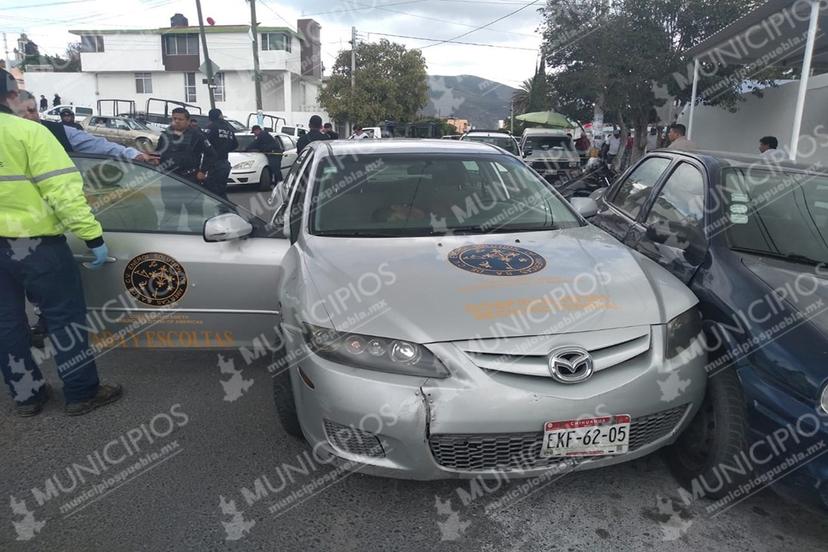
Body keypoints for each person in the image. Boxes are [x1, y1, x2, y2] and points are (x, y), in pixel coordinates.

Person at [0, 69, 123, 417]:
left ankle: (27, 396)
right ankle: (82, 392)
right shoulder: (29, 133)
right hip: (38, 246)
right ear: (12, 97)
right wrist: (92, 236)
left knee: (6, 324)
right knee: (65, 319)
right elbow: (63, 193)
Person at [15, 90, 156, 163]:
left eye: (32, 110)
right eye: (20, 113)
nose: (28, 116)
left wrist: (135, 155)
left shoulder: (61, 132)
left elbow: (98, 145)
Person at [156, 108, 217, 226]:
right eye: (174, 119)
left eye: (180, 119)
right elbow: (158, 153)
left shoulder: (197, 135)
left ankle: (197, 239)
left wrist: (203, 171)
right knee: (170, 214)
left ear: (188, 121)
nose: (176, 121)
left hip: (190, 179)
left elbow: (211, 154)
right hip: (169, 180)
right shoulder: (165, 135)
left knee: (195, 215)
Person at [203, 108, 238, 200]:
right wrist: (224, 149)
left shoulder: (211, 127)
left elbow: (203, 143)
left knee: (212, 191)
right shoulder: (228, 128)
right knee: (221, 190)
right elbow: (235, 144)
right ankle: (227, 210)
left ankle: (226, 211)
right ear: (220, 115)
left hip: (213, 163)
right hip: (224, 162)